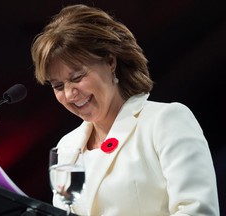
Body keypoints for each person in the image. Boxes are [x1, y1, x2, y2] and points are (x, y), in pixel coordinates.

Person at [30, 4, 220, 216]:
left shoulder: (165, 121)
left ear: (110, 62)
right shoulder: (66, 148)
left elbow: (198, 211)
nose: (70, 93)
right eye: (58, 86)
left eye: (77, 78)